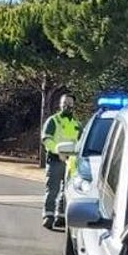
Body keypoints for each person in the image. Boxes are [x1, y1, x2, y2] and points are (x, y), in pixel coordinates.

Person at [41, 94, 81, 230]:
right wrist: (58, 152)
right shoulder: (53, 121)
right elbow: (46, 139)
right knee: (52, 189)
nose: (67, 106)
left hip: (72, 162)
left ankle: (61, 216)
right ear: (60, 104)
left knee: (66, 191)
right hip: (55, 159)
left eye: (69, 103)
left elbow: (80, 143)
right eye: (64, 103)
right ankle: (48, 215)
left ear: (74, 105)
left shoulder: (77, 124)